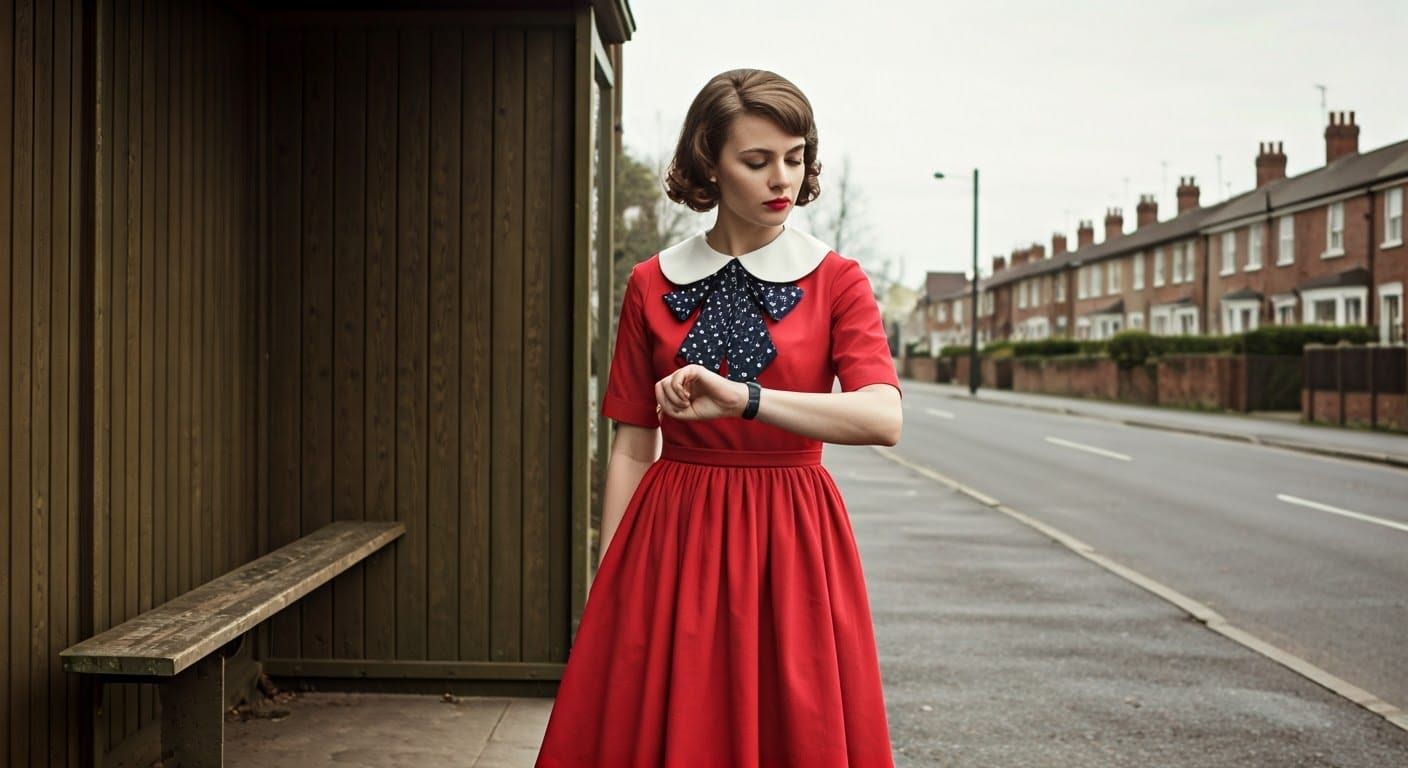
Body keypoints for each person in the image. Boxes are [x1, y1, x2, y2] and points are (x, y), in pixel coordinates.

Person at [535, 68, 902, 768]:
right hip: (673, 529)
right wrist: (611, 579)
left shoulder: (837, 279)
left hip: (792, 532)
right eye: (757, 161)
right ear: (709, 162)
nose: (782, 180)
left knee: (795, 725)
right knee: (665, 722)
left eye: (795, 158)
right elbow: (632, 443)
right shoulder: (650, 282)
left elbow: (883, 417)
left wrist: (747, 399)